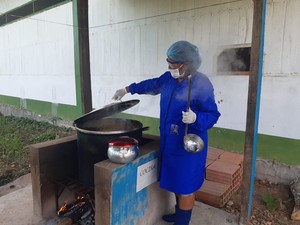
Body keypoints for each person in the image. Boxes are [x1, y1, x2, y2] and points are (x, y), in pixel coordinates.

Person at [112, 40, 220, 225]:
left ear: (187, 64)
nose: (169, 66)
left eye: (173, 63)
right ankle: (179, 215)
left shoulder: (202, 83)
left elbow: (213, 114)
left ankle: (182, 222)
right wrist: (127, 89)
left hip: (188, 145)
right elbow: (151, 85)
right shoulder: (169, 78)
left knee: (185, 187)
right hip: (170, 142)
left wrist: (196, 118)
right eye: (168, 62)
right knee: (176, 182)